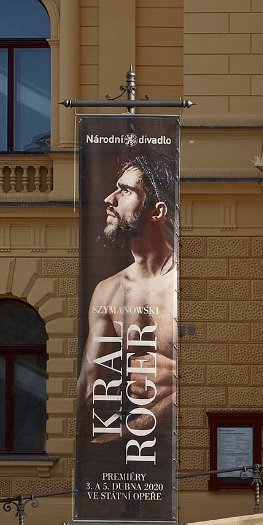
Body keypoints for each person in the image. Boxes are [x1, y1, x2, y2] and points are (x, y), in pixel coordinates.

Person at [78, 145, 179, 443]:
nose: (109, 200)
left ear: (157, 210)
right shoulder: (108, 291)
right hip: (124, 451)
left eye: (124, 191)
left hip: (176, 447)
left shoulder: (184, 286)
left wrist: (131, 429)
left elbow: (201, 381)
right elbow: (90, 380)